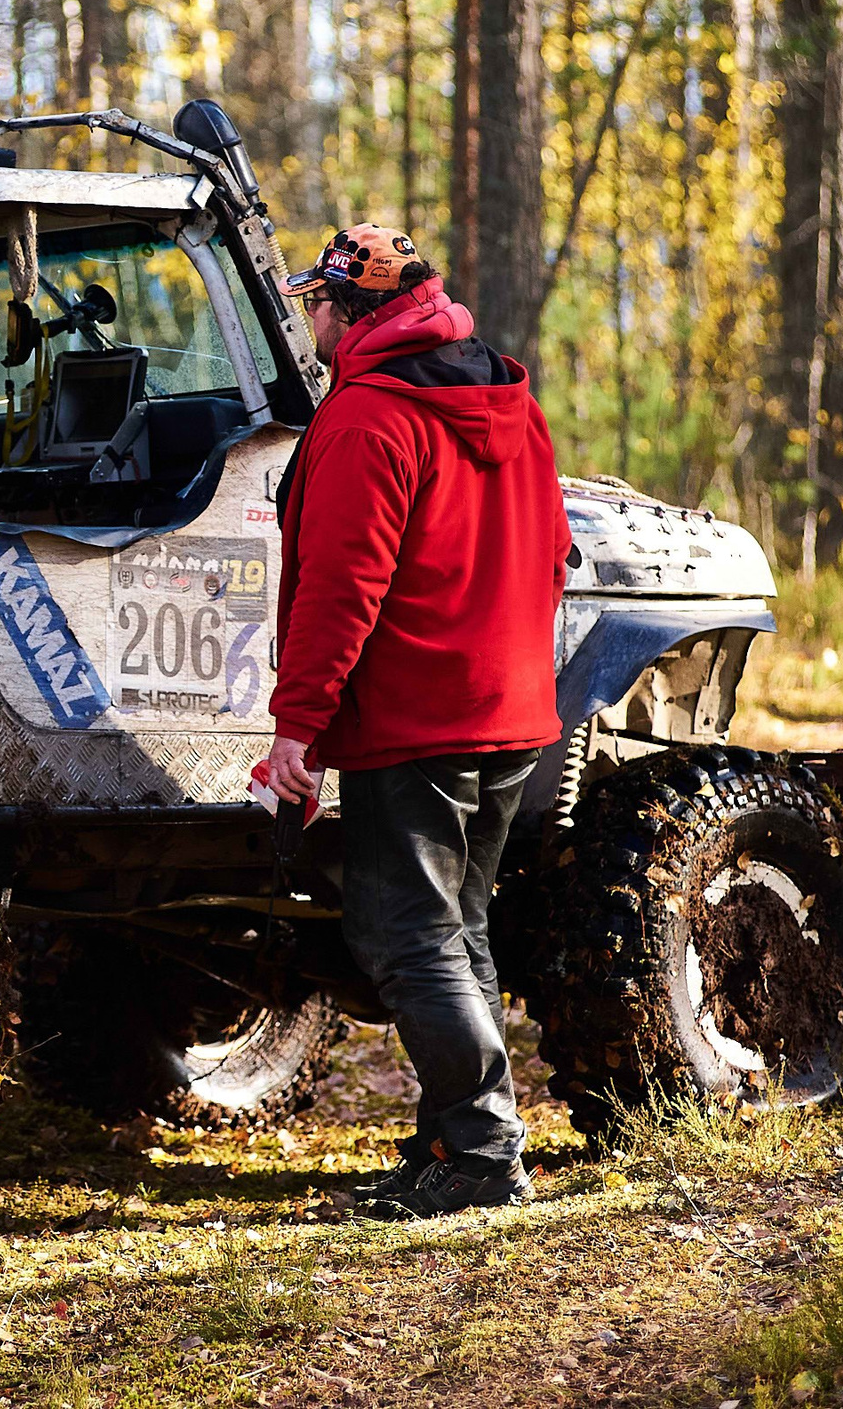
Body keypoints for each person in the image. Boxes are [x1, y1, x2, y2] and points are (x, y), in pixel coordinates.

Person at [255, 223, 570, 1220]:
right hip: (512, 708)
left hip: (415, 716)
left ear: (350, 311)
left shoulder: (365, 417)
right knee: (455, 923)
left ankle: (483, 1154)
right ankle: (454, 1140)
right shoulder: (508, 398)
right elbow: (556, 548)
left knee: (403, 933)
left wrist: (295, 731)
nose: (310, 317)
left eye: (319, 301)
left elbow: (339, 590)